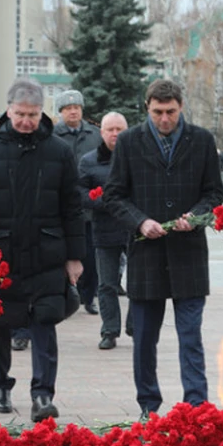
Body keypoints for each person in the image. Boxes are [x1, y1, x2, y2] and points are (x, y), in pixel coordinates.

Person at [0, 78, 85, 423]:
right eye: (19, 114)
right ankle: (0, 385)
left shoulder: (58, 150)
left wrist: (75, 256)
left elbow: (73, 206)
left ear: (42, 111)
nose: (26, 121)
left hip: (47, 251)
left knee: (45, 320)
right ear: (8, 110)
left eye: (32, 114)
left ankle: (43, 395)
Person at [104, 79, 223, 418]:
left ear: (181, 107)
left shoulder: (201, 140)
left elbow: (215, 193)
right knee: (144, 340)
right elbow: (114, 195)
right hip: (147, 254)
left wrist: (197, 215)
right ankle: (148, 406)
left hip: (188, 254)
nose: (164, 119)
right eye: (157, 112)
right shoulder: (129, 142)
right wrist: (141, 221)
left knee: (190, 337)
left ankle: (196, 406)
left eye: (171, 112)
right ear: (147, 108)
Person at [79, 112, 133, 350]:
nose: (114, 134)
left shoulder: (138, 157)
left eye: (119, 129)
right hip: (104, 229)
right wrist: (104, 202)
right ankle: (110, 330)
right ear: (101, 132)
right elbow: (79, 194)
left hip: (135, 228)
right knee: (107, 283)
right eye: (110, 129)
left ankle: (136, 326)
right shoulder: (88, 161)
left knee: (139, 281)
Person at [53, 89, 101, 317]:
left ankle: (89, 296)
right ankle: (65, 295)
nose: (73, 112)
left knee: (91, 255)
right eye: (68, 108)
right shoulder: (52, 135)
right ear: (61, 112)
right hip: (61, 207)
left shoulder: (95, 134)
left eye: (76, 108)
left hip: (89, 206)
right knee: (61, 253)